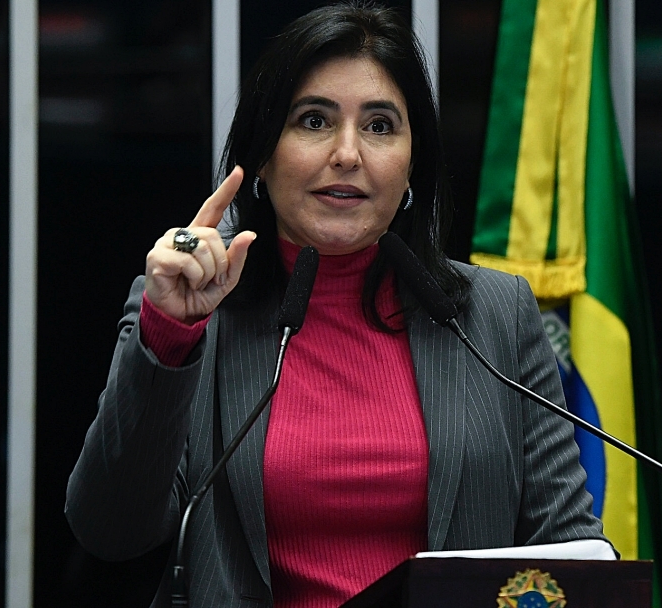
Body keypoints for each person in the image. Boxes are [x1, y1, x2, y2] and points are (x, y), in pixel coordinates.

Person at [65, 2, 608, 606]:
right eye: (315, 120)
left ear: (412, 165)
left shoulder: (495, 315)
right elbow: (110, 530)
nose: (348, 153)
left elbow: (570, 552)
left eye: (379, 126)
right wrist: (171, 333)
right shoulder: (192, 310)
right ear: (263, 156)